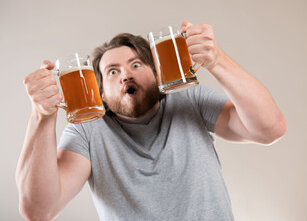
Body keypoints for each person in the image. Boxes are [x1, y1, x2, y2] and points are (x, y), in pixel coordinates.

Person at [16, 20, 287, 221]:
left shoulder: (188, 100)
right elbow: (38, 209)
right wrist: (42, 115)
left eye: (136, 65)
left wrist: (217, 60)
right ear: (98, 91)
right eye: (112, 71)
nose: (126, 75)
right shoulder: (88, 130)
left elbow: (270, 128)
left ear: (157, 74)